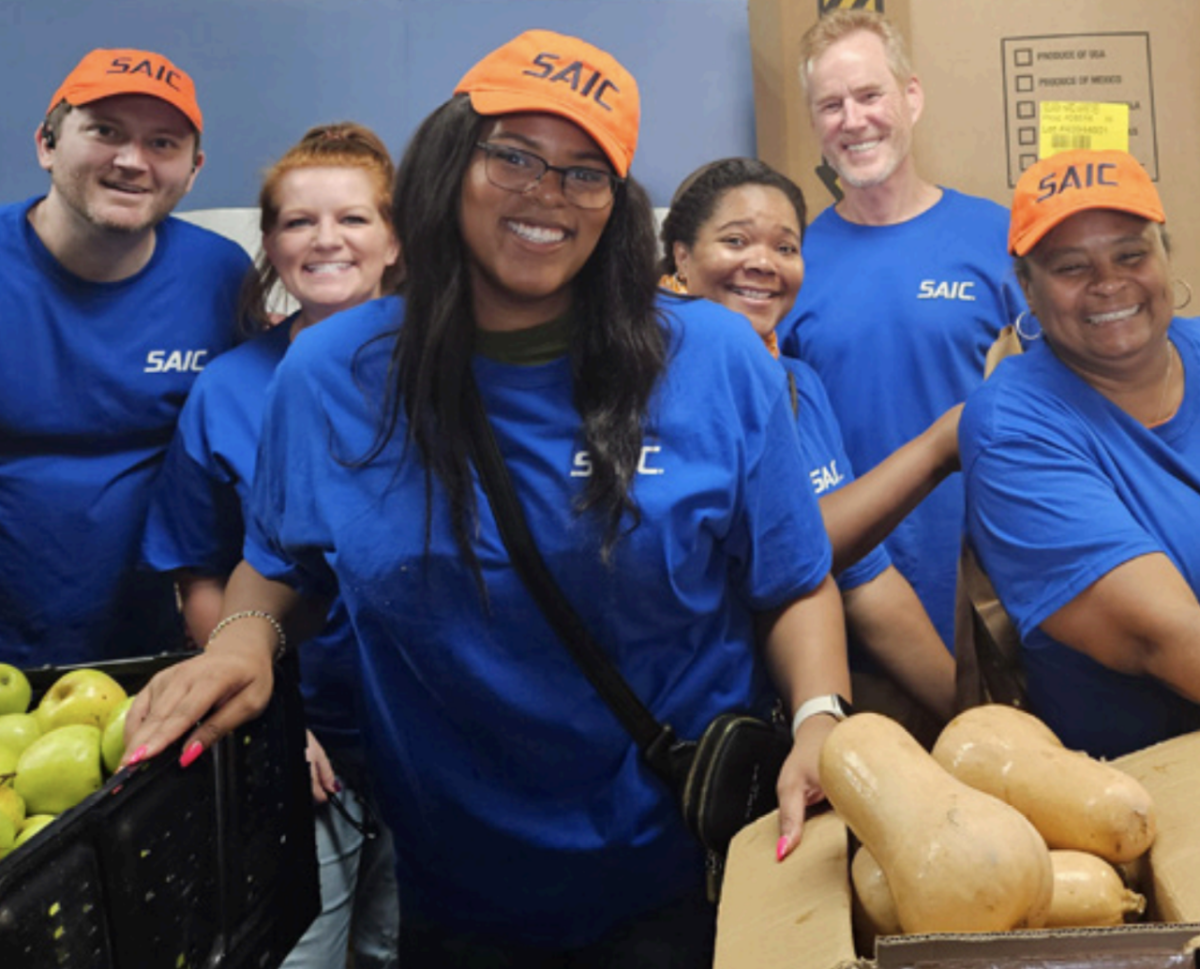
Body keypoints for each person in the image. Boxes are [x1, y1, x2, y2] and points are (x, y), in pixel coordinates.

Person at [123, 29, 849, 966]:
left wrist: (821, 718)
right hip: (454, 885)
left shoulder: (713, 360)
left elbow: (793, 583)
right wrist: (243, 644)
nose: (546, 195)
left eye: (585, 172)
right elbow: (279, 569)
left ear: (617, 206)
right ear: (448, 166)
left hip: (680, 870)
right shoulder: (332, 375)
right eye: (512, 155)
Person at [141, 123, 402, 969]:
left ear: (395, 239)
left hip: (434, 742)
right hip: (303, 741)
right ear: (269, 245)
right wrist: (275, 721)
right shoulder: (228, 388)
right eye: (297, 222)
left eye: (355, 219)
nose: (326, 240)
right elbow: (202, 572)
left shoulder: (453, 370)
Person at [660, 157, 955, 737]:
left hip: (775, 734)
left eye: (786, 248)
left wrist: (975, 715)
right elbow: (785, 553)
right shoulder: (645, 384)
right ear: (681, 257)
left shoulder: (797, 383)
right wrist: (938, 448)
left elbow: (860, 580)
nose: (763, 264)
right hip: (676, 734)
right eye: (736, 240)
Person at [776, 10, 1026, 650]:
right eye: (830, 105)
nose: (852, 120)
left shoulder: (998, 238)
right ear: (814, 124)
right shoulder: (792, 265)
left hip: (993, 599)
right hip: (852, 612)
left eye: (869, 95)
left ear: (910, 97)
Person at [0, 48, 249, 668]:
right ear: (47, 144)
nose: (132, 161)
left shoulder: (219, 275)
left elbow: (245, 460)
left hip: (155, 649)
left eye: (162, 143)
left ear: (193, 172)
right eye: (105, 131)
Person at [960, 148, 1200, 759]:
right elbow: (1165, 639)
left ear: (1165, 255)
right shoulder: (1012, 425)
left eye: (1130, 253)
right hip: (1146, 797)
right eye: (1071, 266)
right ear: (1028, 292)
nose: (1109, 283)